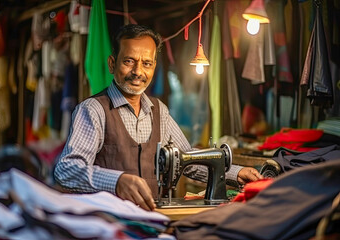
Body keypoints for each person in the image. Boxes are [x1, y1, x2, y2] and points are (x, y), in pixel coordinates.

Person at [54, 24, 263, 211]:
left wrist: (236, 173)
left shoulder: (158, 110)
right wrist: (116, 181)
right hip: (107, 223)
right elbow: (66, 169)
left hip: (150, 220)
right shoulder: (93, 110)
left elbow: (187, 159)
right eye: (129, 61)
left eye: (147, 63)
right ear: (112, 64)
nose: (138, 71)